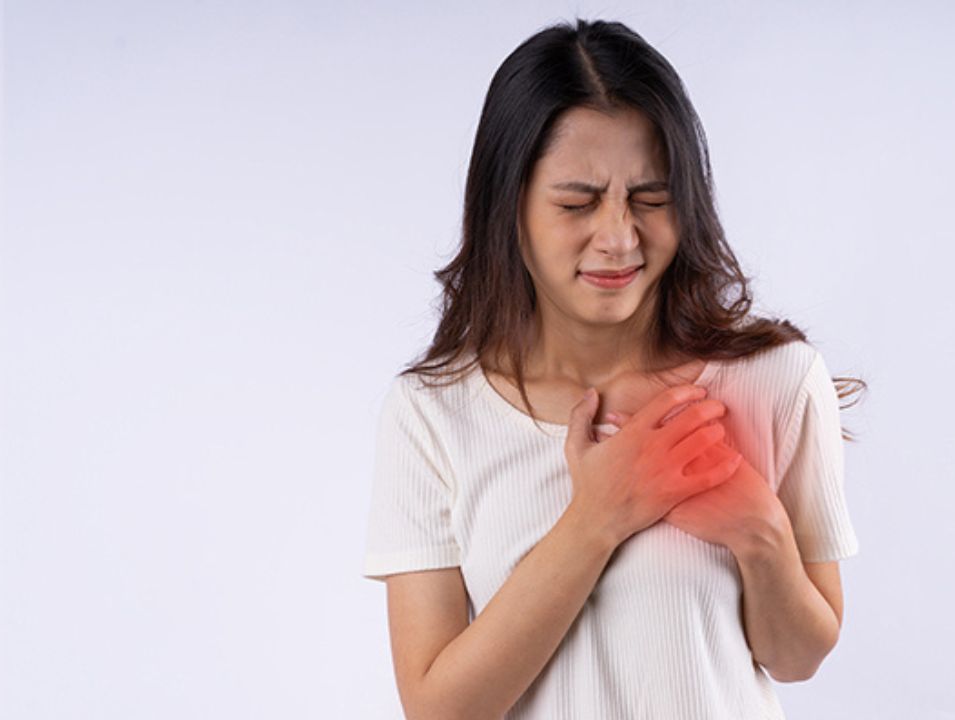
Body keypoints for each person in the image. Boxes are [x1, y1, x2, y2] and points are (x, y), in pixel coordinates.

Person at [361, 17, 865, 720]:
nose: (620, 237)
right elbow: (440, 710)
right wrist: (597, 517)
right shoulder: (433, 412)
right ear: (508, 206)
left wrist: (762, 534)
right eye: (578, 203)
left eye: (652, 199)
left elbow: (798, 658)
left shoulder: (775, 380)